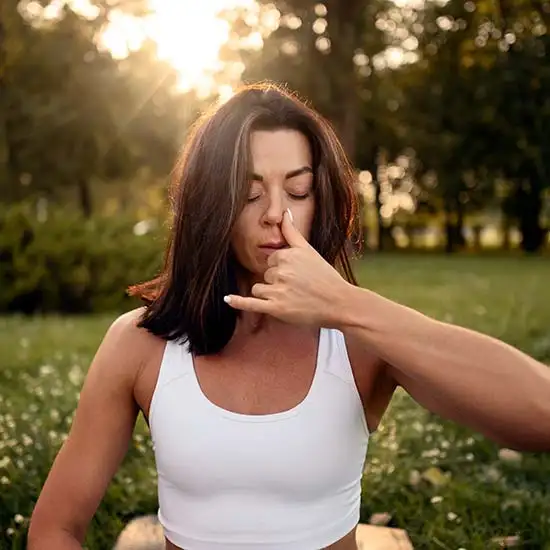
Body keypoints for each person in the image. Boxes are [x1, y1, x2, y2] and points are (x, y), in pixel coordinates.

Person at [28, 83, 550, 550]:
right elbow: (54, 528)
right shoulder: (141, 344)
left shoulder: (360, 340)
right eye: (249, 193)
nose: (277, 213)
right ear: (211, 207)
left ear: (321, 200)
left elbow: (540, 414)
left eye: (297, 191)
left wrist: (345, 305)